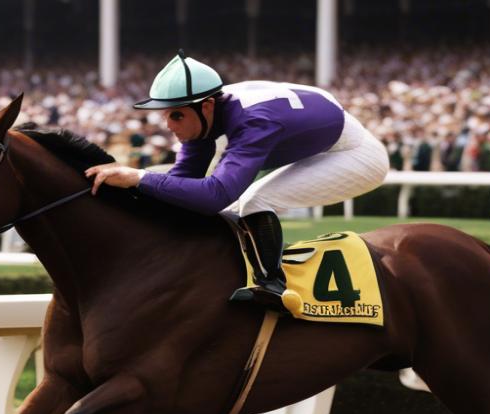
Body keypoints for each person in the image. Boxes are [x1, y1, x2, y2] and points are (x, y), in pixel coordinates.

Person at [84, 51, 389, 311]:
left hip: (357, 154)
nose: (168, 125)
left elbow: (215, 196)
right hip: (318, 138)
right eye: (164, 115)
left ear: (205, 107)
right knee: (234, 202)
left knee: (254, 200)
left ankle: (272, 287)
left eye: (175, 116)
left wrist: (139, 177)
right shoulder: (205, 118)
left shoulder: (253, 121)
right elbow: (179, 191)